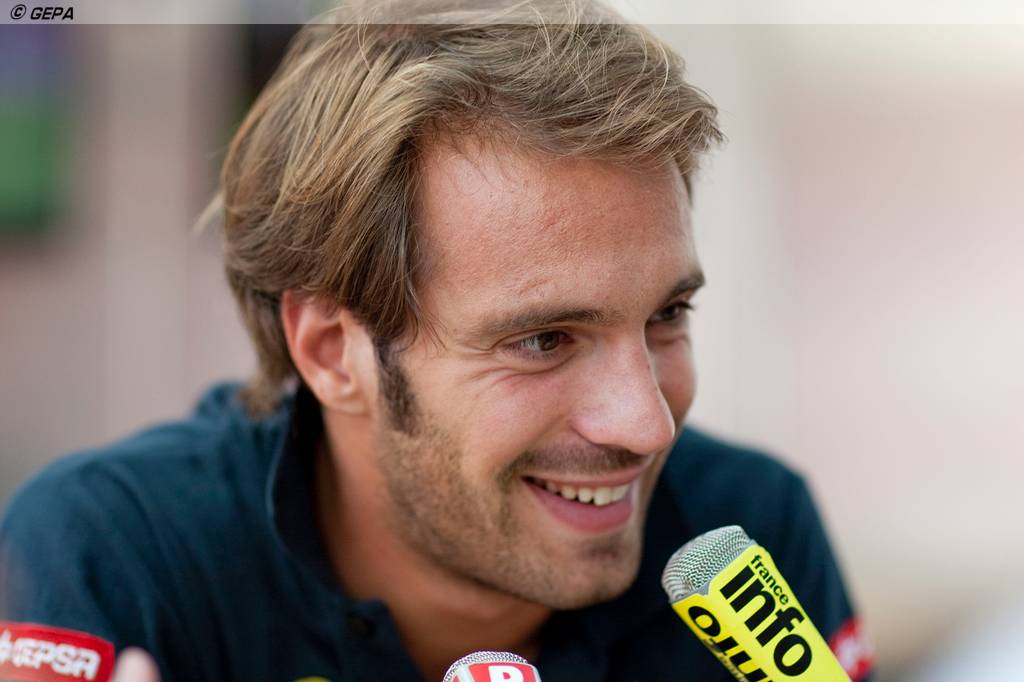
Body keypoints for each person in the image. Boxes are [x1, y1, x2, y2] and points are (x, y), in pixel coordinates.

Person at [0, 3, 873, 681]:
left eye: (666, 315)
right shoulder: (116, 553)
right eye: (543, 339)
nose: (646, 425)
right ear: (331, 351)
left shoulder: (749, 530)